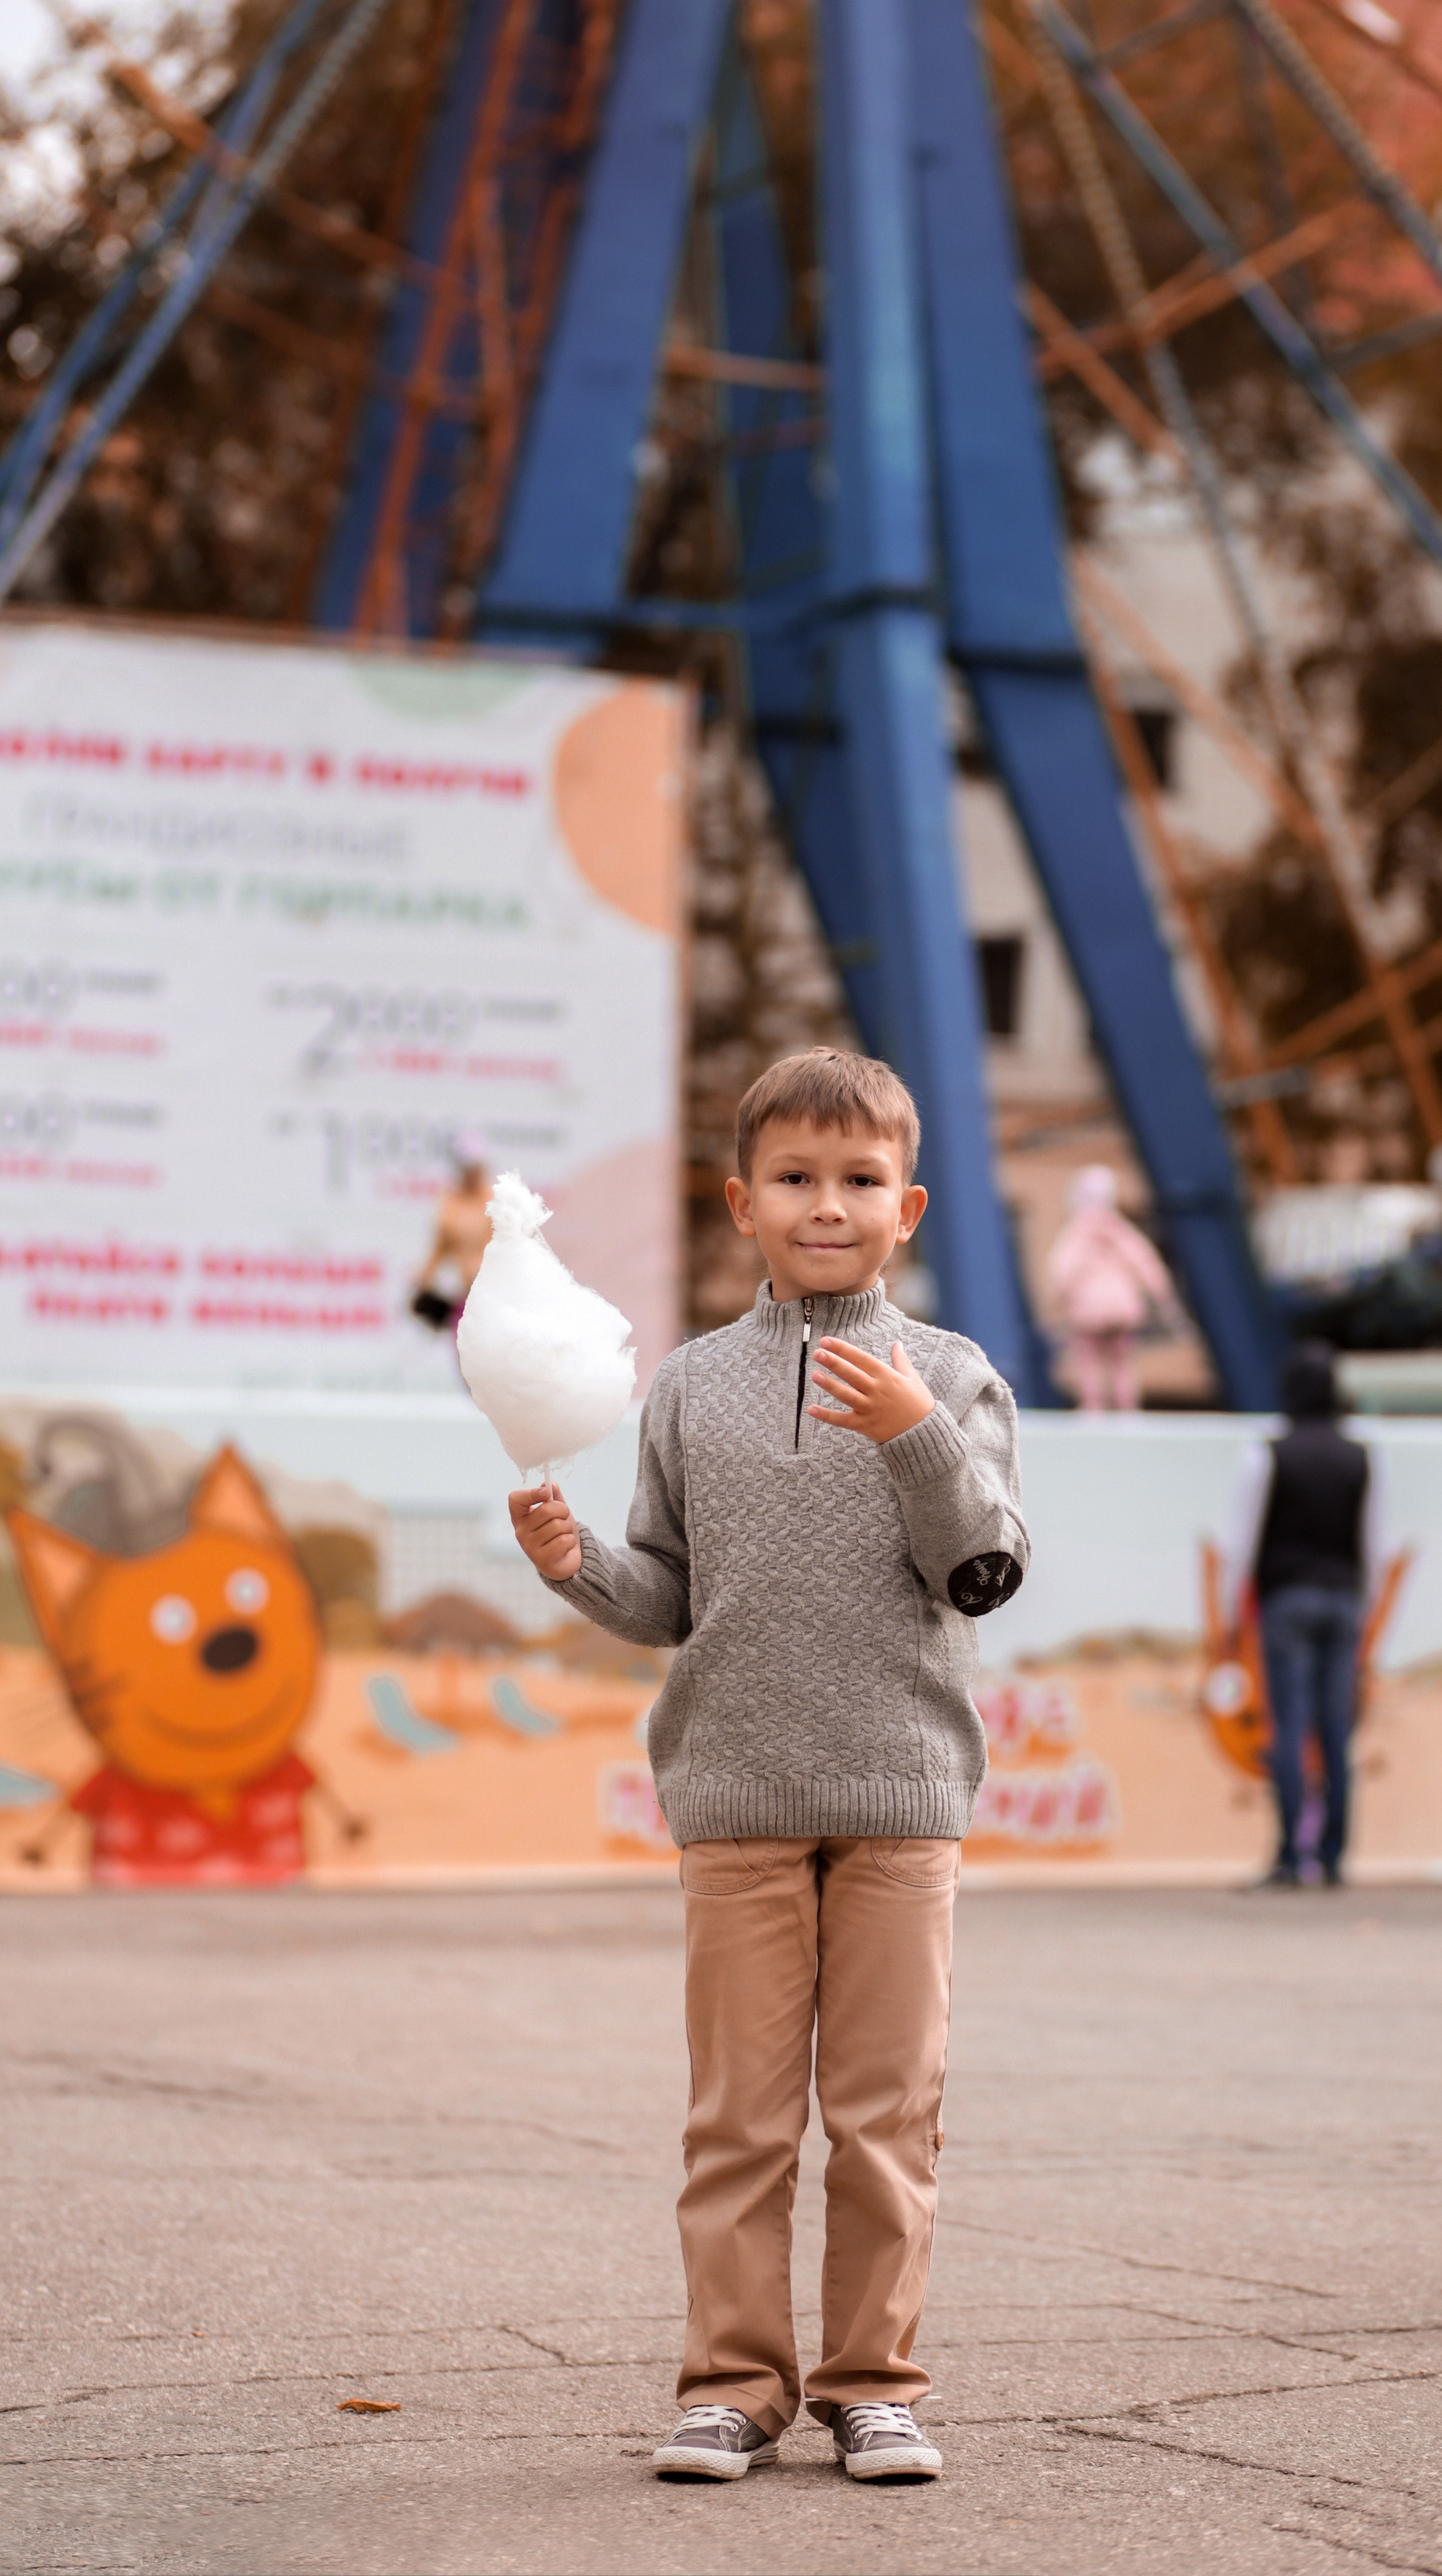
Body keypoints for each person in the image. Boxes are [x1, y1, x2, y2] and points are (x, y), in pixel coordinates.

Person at [507, 1048, 1028, 2486]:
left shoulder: (954, 1377)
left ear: (906, 1204)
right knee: (735, 2117)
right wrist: (578, 1565)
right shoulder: (687, 1386)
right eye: (794, 1177)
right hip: (732, 1798)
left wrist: (912, 1433)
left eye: (858, 1180)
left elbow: (982, 1565)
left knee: (884, 2114)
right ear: (741, 1200)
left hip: (899, 1800)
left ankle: (875, 2385)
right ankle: (732, 2386)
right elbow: (666, 1593)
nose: (825, 1203)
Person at [1220, 1339, 1387, 1889]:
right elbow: (1373, 1545)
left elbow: (1242, 1544)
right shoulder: (1362, 1454)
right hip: (1343, 1599)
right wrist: (1367, 1606)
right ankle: (1335, 1856)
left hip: (1286, 1599)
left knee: (1288, 1725)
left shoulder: (1268, 1452)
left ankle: (1292, 1854)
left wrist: (1227, 1615)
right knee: (1335, 1727)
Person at [1043, 1164, 1174, 1413]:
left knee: (1089, 1361)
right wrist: (1163, 1296)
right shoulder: (1120, 1230)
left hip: (1088, 1310)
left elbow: (1062, 1270)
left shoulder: (1077, 1233)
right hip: (1122, 1308)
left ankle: (1094, 1409)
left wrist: (1057, 1299)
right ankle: (1127, 1408)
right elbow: (1146, 1262)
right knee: (1122, 1361)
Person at [410, 1132, 494, 1331]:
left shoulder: (494, 1201)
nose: (473, 1175)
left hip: (491, 1294)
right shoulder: (451, 1203)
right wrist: (425, 1279)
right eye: (468, 1170)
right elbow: (440, 1247)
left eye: (477, 1169)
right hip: (460, 1295)